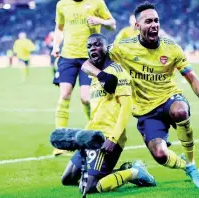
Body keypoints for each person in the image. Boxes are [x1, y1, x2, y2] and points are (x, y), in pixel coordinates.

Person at [82, 1, 199, 189]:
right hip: (146, 112)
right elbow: (87, 62)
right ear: (137, 26)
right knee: (161, 155)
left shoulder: (172, 48)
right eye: (148, 21)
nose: (154, 24)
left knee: (180, 111)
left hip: (169, 99)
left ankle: (192, 163)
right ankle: (183, 165)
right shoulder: (123, 48)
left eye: (156, 21)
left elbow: (192, 78)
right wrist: (100, 74)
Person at [61, 34, 156, 194]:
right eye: (89, 46)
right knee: (68, 178)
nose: (92, 49)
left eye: (97, 45)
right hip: (91, 135)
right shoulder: (95, 75)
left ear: (107, 47)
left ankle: (135, 171)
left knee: (89, 187)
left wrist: (113, 138)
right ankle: (110, 172)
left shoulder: (118, 72)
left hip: (107, 137)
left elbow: (126, 107)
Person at [51, 0, 116, 156]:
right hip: (68, 57)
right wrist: (55, 46)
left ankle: (94, 133)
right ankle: (59, 144)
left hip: (90, 58)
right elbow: (59, 28)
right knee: (64, 95)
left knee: (86, 99)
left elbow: (112, 24)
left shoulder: (97, 2)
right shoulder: (62, 4)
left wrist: (99, 20)